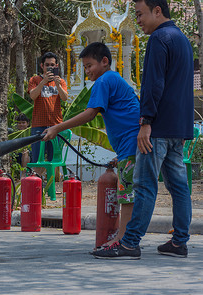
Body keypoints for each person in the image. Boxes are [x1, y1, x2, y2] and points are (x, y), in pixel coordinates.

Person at [93, 0, 194, 259]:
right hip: (179, 126)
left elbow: (153, 84)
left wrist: (146, 122)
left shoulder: (159, 39)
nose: (138, 20)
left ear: (157, 11)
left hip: (158, 127)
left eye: (140, 14)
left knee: (145, 184)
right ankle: (180, 241)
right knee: (179, 187)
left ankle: (129, 243)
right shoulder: (182, 39)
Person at [42, 42, 140, 248]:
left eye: (89, 66)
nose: (87, 72)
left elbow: (89, 114)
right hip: (128, 147)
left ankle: (123, 241)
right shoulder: (112, 79)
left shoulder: (104, 80)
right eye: (84, 67)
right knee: (128, 193)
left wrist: (57, 128)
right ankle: (125, 238)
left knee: (127, 195)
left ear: (105, 61)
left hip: (130, 145)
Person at [28, 52, 67, 181]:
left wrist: (57, 84)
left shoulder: (60, 81)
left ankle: (52, 189)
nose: (49, 67)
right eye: (47, 65)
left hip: (56, 125)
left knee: (54, 159)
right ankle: (37, 185)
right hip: (38, 125)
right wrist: (43, 81)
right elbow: (33, 96)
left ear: (56, 66)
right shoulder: (34, 80)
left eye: (52, 65)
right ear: (41, 66)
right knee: (37, 159)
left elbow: (65, 98)